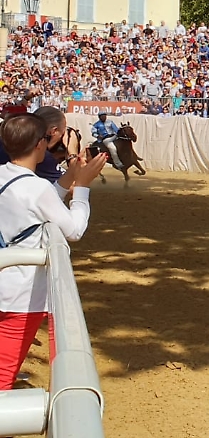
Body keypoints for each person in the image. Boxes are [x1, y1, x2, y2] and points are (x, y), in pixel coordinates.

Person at [0, 113, 106, 390]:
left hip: (6, 285)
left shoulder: (8, 177)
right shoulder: (35, 188)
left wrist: (70, 177)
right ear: (39, 144)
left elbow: (35, 203)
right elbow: (74, 230)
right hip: (19, 295)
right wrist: (81, 189)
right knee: (3, 374)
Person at [0, 107, 73, 182]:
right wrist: (72, 152)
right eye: (63, 134)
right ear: (53, 131)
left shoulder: (6, 142)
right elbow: (73, 186)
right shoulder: (43, 157)